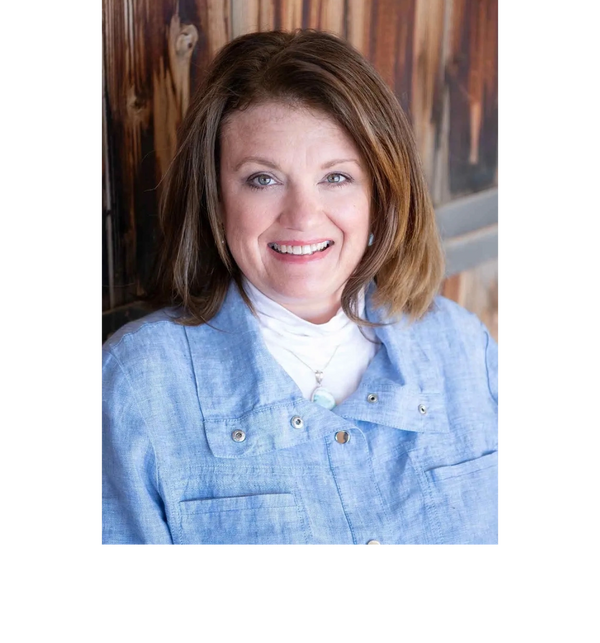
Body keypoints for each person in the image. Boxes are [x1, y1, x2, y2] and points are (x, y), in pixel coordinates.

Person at [100, 29, 501, 548]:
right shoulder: (139, 386)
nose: (303, 217)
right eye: (263, 179)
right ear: (215, 198)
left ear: (381, 192)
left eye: (336, 177)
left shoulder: (464, 347)